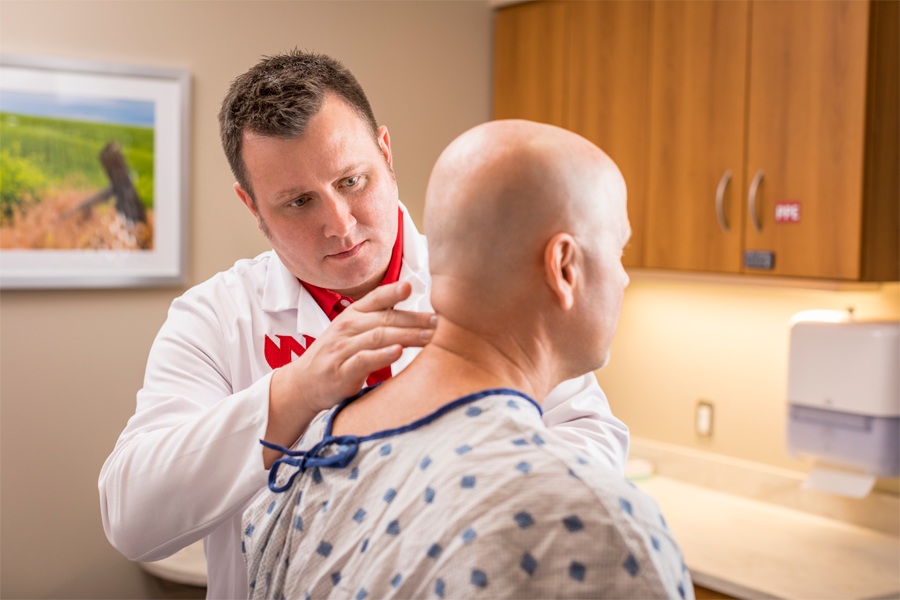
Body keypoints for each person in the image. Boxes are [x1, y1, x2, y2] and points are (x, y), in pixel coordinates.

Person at [98, 51, 630, 600]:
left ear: (386, 152)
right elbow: (133, 517)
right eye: (299, 202)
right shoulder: (215, 319)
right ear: (252, 207)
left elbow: (590, 447)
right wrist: (294, 393)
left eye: (352, 181)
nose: (340, 224)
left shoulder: (488, 276)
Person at [242, 119, 691, 599]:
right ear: (564, 267)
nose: (623, 280)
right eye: (618, 251)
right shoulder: (605, 527)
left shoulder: (310, 454)